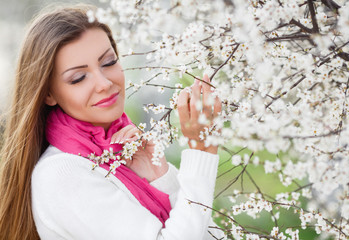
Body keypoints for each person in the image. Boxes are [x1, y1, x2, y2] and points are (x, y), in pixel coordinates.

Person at [0, 4, 223, 240]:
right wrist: (201, 151)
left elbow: (212, 235)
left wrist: (161, 178)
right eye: (78, 78)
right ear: (48, 93)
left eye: (108, 62)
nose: (104, 83)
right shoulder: (62, 173)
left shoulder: (123, 152)